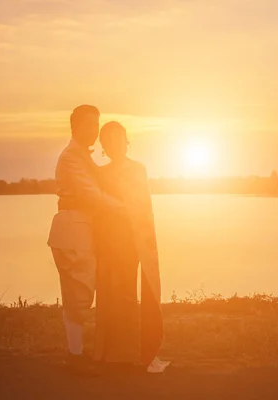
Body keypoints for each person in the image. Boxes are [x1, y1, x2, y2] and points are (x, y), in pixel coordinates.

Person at [47, 105, 125, 375]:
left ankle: (77, 353)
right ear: (75, 126)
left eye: (96, 125)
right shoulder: (72, 157)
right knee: (78, 295)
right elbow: (91, 193)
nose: (94, 130)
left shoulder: (81, 156)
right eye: (89, 125)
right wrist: (125, 208)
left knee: (79, 294)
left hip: (79, 230)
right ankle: (75, 356)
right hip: (72, 230)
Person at [93, 121, 169, 373]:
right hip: (106, 240)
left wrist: (145, 240)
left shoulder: (138, 169)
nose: (116, 144)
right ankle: (109, 350)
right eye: (109, 140)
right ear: (103, 145)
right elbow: (97, 206)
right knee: (107, 295)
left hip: (132, 239)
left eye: (119, 138)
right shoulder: (100, 173)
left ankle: (130, 351)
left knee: (126, 294)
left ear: (126, 141)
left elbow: (142, 206)